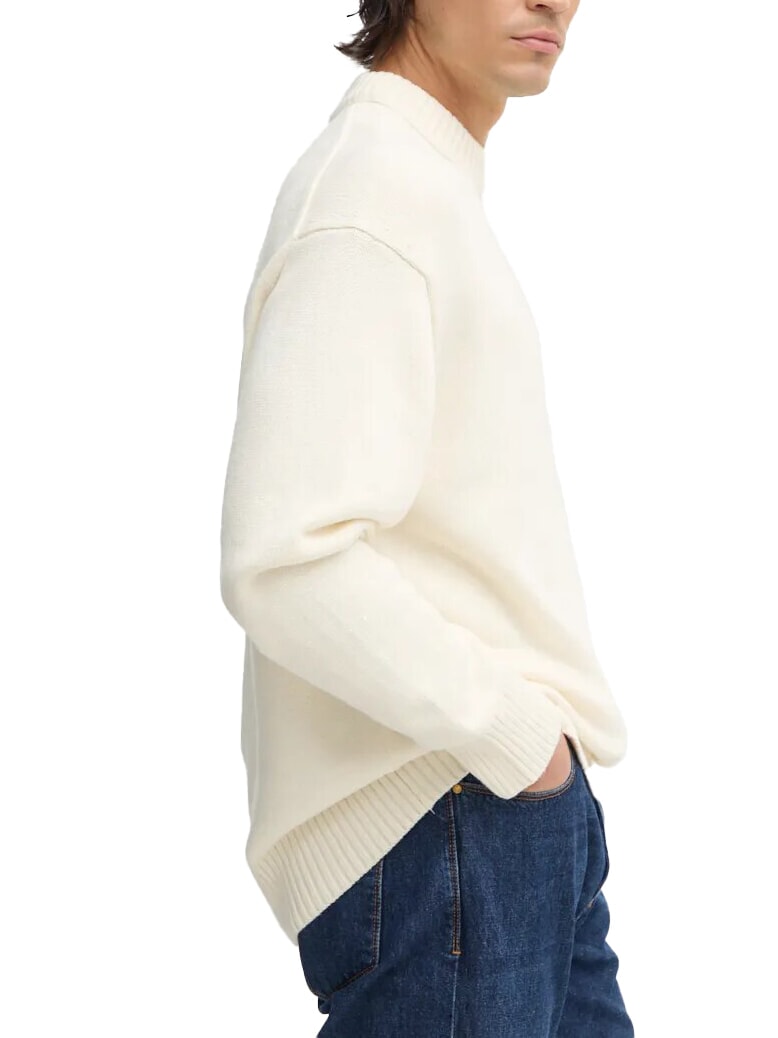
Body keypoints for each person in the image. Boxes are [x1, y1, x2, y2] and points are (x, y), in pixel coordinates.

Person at [219, 0, 635, 1033]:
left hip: (497, 816)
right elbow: (285, 559)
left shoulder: (423, 184)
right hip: (448, 817)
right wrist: (515, 737)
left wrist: (541, 766)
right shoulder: (374, 194)